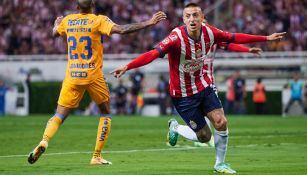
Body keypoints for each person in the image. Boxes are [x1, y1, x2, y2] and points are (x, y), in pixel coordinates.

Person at [111, 2, 285, 173]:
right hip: (183, 95)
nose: (192, 19)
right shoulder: (175, 38)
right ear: (183, 20)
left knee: (221, 122)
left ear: (202, 18)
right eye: (188, 16)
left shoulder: (210, 33)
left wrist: (265, 38)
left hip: (204, 86)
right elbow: (152, 54)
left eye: (195, 15)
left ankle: (220, 164)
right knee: (204, 136)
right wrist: (128, 66)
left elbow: (232, 38)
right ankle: (176, 128)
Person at [27, 0, 166, 165]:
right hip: (93, 75)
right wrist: (149, 22)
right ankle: (96, 156)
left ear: (77, 7)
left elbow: (54, 33)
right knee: (105, 112)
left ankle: (44, 140)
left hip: (73, 75)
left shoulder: (68, 20)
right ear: (92, 4)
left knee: (59, 115)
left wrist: (55, 24)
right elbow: (122, 30)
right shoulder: (99, 20)